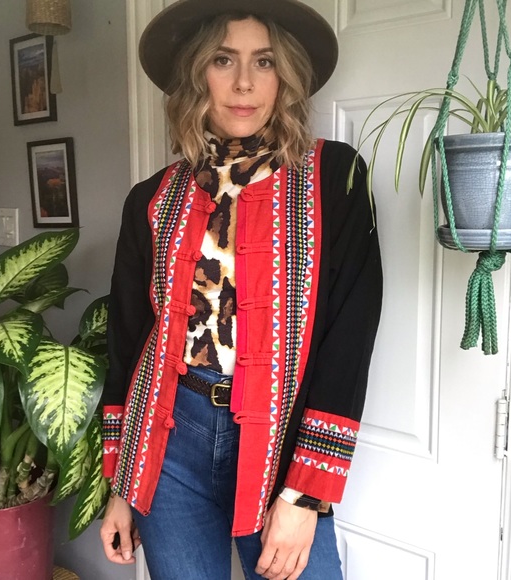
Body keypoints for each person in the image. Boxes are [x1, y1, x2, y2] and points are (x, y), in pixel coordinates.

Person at [99, 1, 383, 578]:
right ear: (196, 74)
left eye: (265, 61)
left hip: (279, 442)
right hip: (169, 440)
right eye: (224, 60)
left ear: (286, 76)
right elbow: (129, 341)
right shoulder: (151, 199)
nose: (245, 82)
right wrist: (122, 486)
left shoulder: (335, 178)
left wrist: (304, 494)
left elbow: (350, 337)